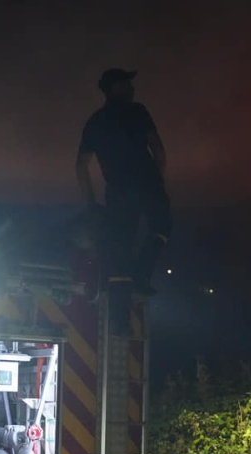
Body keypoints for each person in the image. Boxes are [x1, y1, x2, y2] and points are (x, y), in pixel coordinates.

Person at [75, 68, 172, 297]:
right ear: (116, 87)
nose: (133, 88)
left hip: (117, 191)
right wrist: (158, 181)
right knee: (161, 227)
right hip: (147, 182)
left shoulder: (95, 121)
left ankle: (120, 316)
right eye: (128, 84)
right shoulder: (137, 111)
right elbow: (157, 149)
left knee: (122, 243)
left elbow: (81, 165)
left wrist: (90, 201)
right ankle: (142, 274)